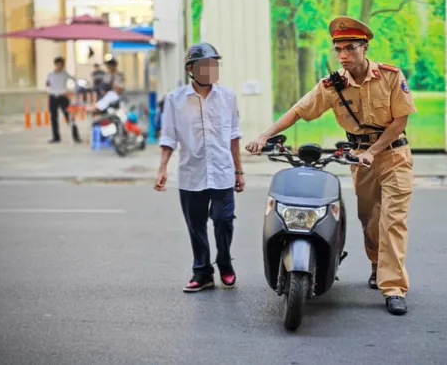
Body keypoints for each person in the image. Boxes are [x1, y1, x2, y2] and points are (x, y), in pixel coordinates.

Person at [246, 16, 416, 316]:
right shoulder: (332, 85)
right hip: (359, 158)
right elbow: (298, 111)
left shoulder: (390, 76)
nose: (343, 55)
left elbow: (401, 119)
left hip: (392, 155)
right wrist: (263, 136)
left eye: (349, 48)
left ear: (365, 48)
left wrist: (374, 151)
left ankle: (393, 288)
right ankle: (378, 263)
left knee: (393, 222)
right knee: (370, 219)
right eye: (338, 49)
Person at [154, 42, 245, 293]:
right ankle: (202, 272)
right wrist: (162, 168)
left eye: (214, 64)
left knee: (223, 220)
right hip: (191, 173)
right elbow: (168, 137)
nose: (212, 69)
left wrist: (239, 170)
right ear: (191, 69)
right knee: (196, 226)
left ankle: (225, 264)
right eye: (206, 64)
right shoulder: (175, 100)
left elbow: (234, 135)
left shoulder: (228, 97)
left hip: (222, 171)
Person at [45, 56, 78, 144]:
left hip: (63, 96)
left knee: (69, 116)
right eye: (59, 65)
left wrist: (71, 91)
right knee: (53, 118)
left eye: (62, 65)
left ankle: (75, 136)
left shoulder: (64, 74)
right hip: (53, 96)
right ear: (55, 64)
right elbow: (47, 85)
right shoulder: (50, 74)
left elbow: (75, 80)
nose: (60, 67)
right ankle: (56, 137)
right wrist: (50, 91)